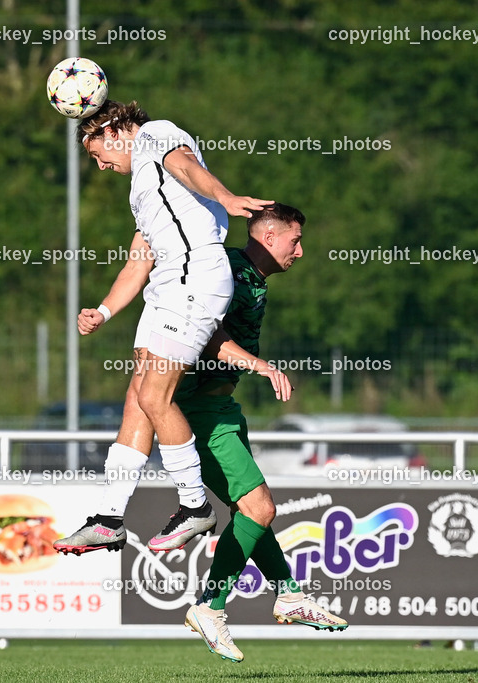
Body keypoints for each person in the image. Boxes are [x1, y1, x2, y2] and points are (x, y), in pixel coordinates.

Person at [54, 100, 273, 552]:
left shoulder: (156, 134)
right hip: (166, 284)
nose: (100, 165)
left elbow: (188, 165)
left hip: (195, 278)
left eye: (99, 152)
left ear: (115, 129)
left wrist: (226, 198)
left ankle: (195, 506)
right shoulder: (143, 186)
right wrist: (104, 311)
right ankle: (110, 518)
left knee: (156, 395)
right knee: (138, 397)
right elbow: (138, 262)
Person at [178, 204, 346, 662]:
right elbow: (203, 334)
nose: (301, 251)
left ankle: (289, 594)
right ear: (269, 237)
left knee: (253, 511)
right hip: (197, 412)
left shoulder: (252, 276)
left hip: (221, 407)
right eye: (295, 240)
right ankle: (210, 606)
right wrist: (262, 366)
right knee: (259, 506)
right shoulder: (228, 271)